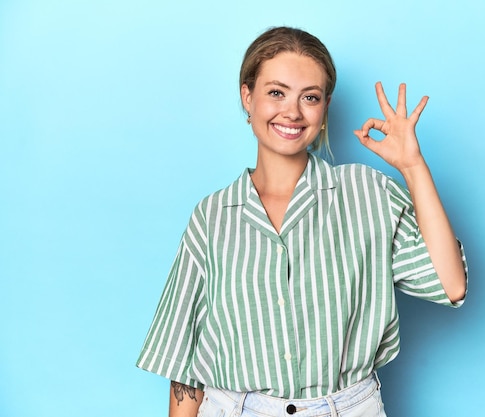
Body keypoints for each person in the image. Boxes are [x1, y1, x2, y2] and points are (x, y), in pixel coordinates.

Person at [137, 26, 467, 417]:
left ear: (325, 107)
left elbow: (452, 285)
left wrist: (412, 166)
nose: (292, 112)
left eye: (309, 97)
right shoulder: (212, 216)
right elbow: (183, 359)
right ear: (248, 97)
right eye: (276, 92)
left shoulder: (367, 192)